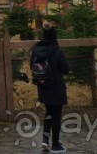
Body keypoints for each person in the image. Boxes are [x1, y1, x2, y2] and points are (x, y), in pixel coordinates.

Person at [31, 23, 69, 154]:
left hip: (43, 85)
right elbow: (66, 70)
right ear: (54, 36)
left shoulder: (36, 50)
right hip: (56, 86)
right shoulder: (57, 51)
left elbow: (32, 66)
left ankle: (45, 140)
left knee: (48, 112)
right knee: (56, 115)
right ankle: (56, 144)